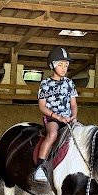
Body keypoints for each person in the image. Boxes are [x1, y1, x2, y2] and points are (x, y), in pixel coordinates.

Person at [34, 47, 78, 183]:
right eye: (60, 65)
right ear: (52, 66)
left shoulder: (69, 83)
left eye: (66, 65)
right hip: (52, 118)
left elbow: (73, 104)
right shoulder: (45, 84)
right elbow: (42, 106)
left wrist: (74, 116)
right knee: (52, 134)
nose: (64, 68)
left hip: (68, 118)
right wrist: (57, 117)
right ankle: (40, 167)